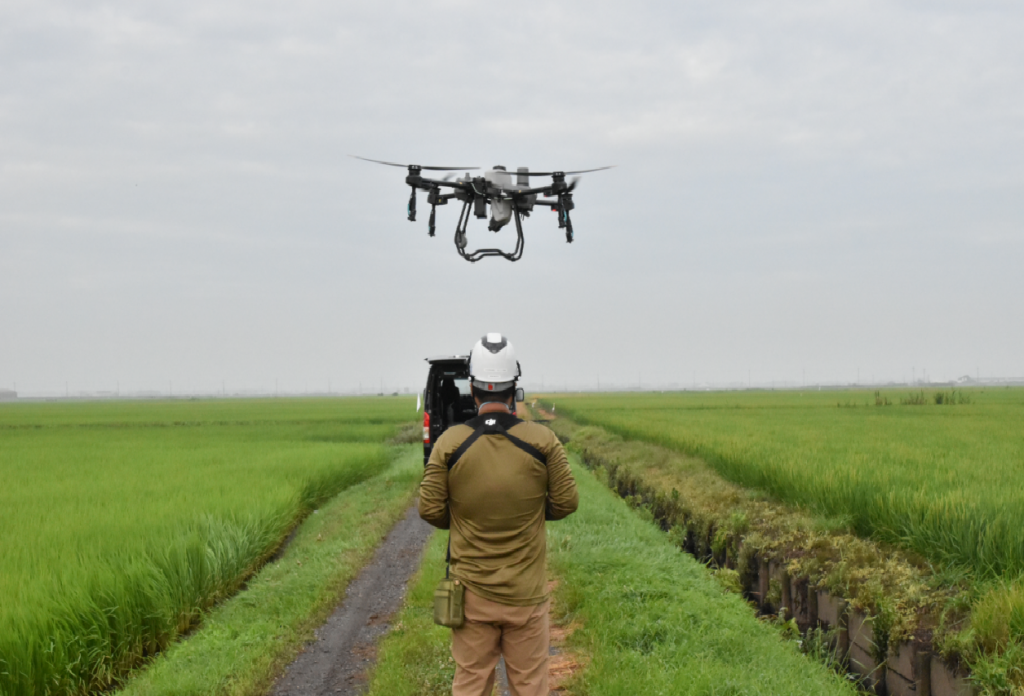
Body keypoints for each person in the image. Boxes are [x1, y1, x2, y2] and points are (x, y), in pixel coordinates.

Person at [419, 333, 578, 696]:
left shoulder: (450, 443)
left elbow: (429, 507)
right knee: (530, 687)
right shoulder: (543, 442)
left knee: (471, 686)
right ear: (514, 391)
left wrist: (462, 518)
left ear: (473, 390)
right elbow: (567, 502)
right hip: (527, 596)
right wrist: (531, 514)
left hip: (471, 595)